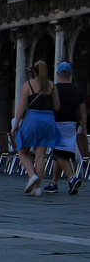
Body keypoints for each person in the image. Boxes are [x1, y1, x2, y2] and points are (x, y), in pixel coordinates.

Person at [14, 59, 61, 195]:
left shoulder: (28, 85)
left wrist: (16, 124)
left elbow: (22, 106)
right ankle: (38, 188)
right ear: (46, 70)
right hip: (49, 120)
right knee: (40, 155)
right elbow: (57, 107)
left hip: (33, 119)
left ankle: (31, 175)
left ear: (33, 71)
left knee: (22, 151)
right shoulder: (52, 86)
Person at [48, 61, 87, 195]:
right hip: (72, 124)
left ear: (58, 74)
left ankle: (72, 178)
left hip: (57, 123)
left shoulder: (54, 89)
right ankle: (54, 184)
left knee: (58, 152)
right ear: (70, 74)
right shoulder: (77, 89)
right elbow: (83, 110)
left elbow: (50, 108)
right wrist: (84, 128)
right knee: (61, 152)